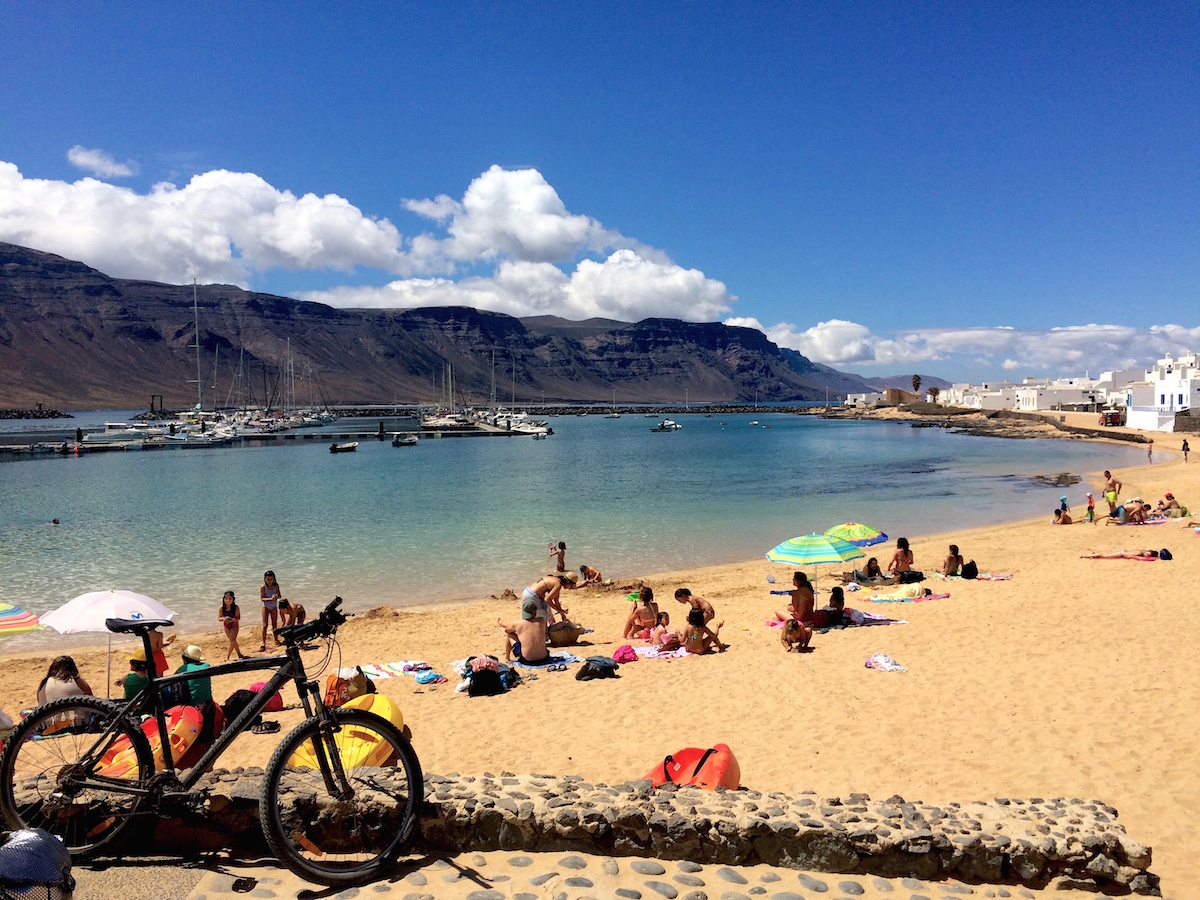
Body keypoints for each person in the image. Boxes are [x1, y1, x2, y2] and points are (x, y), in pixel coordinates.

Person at [260, 570, 284, 652]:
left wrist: (276, 596)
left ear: (274, 579)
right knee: (265, 625)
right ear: (265, 579)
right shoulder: (263, 587)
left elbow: (280, 595)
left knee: (274, 624)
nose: (269, 581)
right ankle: (263, 642)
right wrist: (271, 598)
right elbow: (262, 598)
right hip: (266, 606)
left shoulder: (276, 586)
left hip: (273, 606)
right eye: (268, 579)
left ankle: (276, 640)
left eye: (271, 579)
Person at [219, 590, 245, 660]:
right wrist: (224, 619)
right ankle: (239, 654)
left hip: (234, 625)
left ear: (233, 599)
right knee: (233, 641)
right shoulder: (221, 608)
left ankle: (228, 656)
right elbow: (219, 618)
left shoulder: (236, 607)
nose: (228, 600)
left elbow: (238, 618)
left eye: (230, 599)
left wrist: (232, 619)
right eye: (226, 599)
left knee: (232, 640)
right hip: (226, 626)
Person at [1082, 549, 1160, 560]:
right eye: (1148, 554)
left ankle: (1094, 555)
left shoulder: (1141, 551)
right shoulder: (1139, 553)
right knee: (1104, 556)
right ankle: (1087, 556)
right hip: (1121, 553)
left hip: (1122, 552)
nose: (1147, 555)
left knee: (1105, 555)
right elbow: (1130, 556)